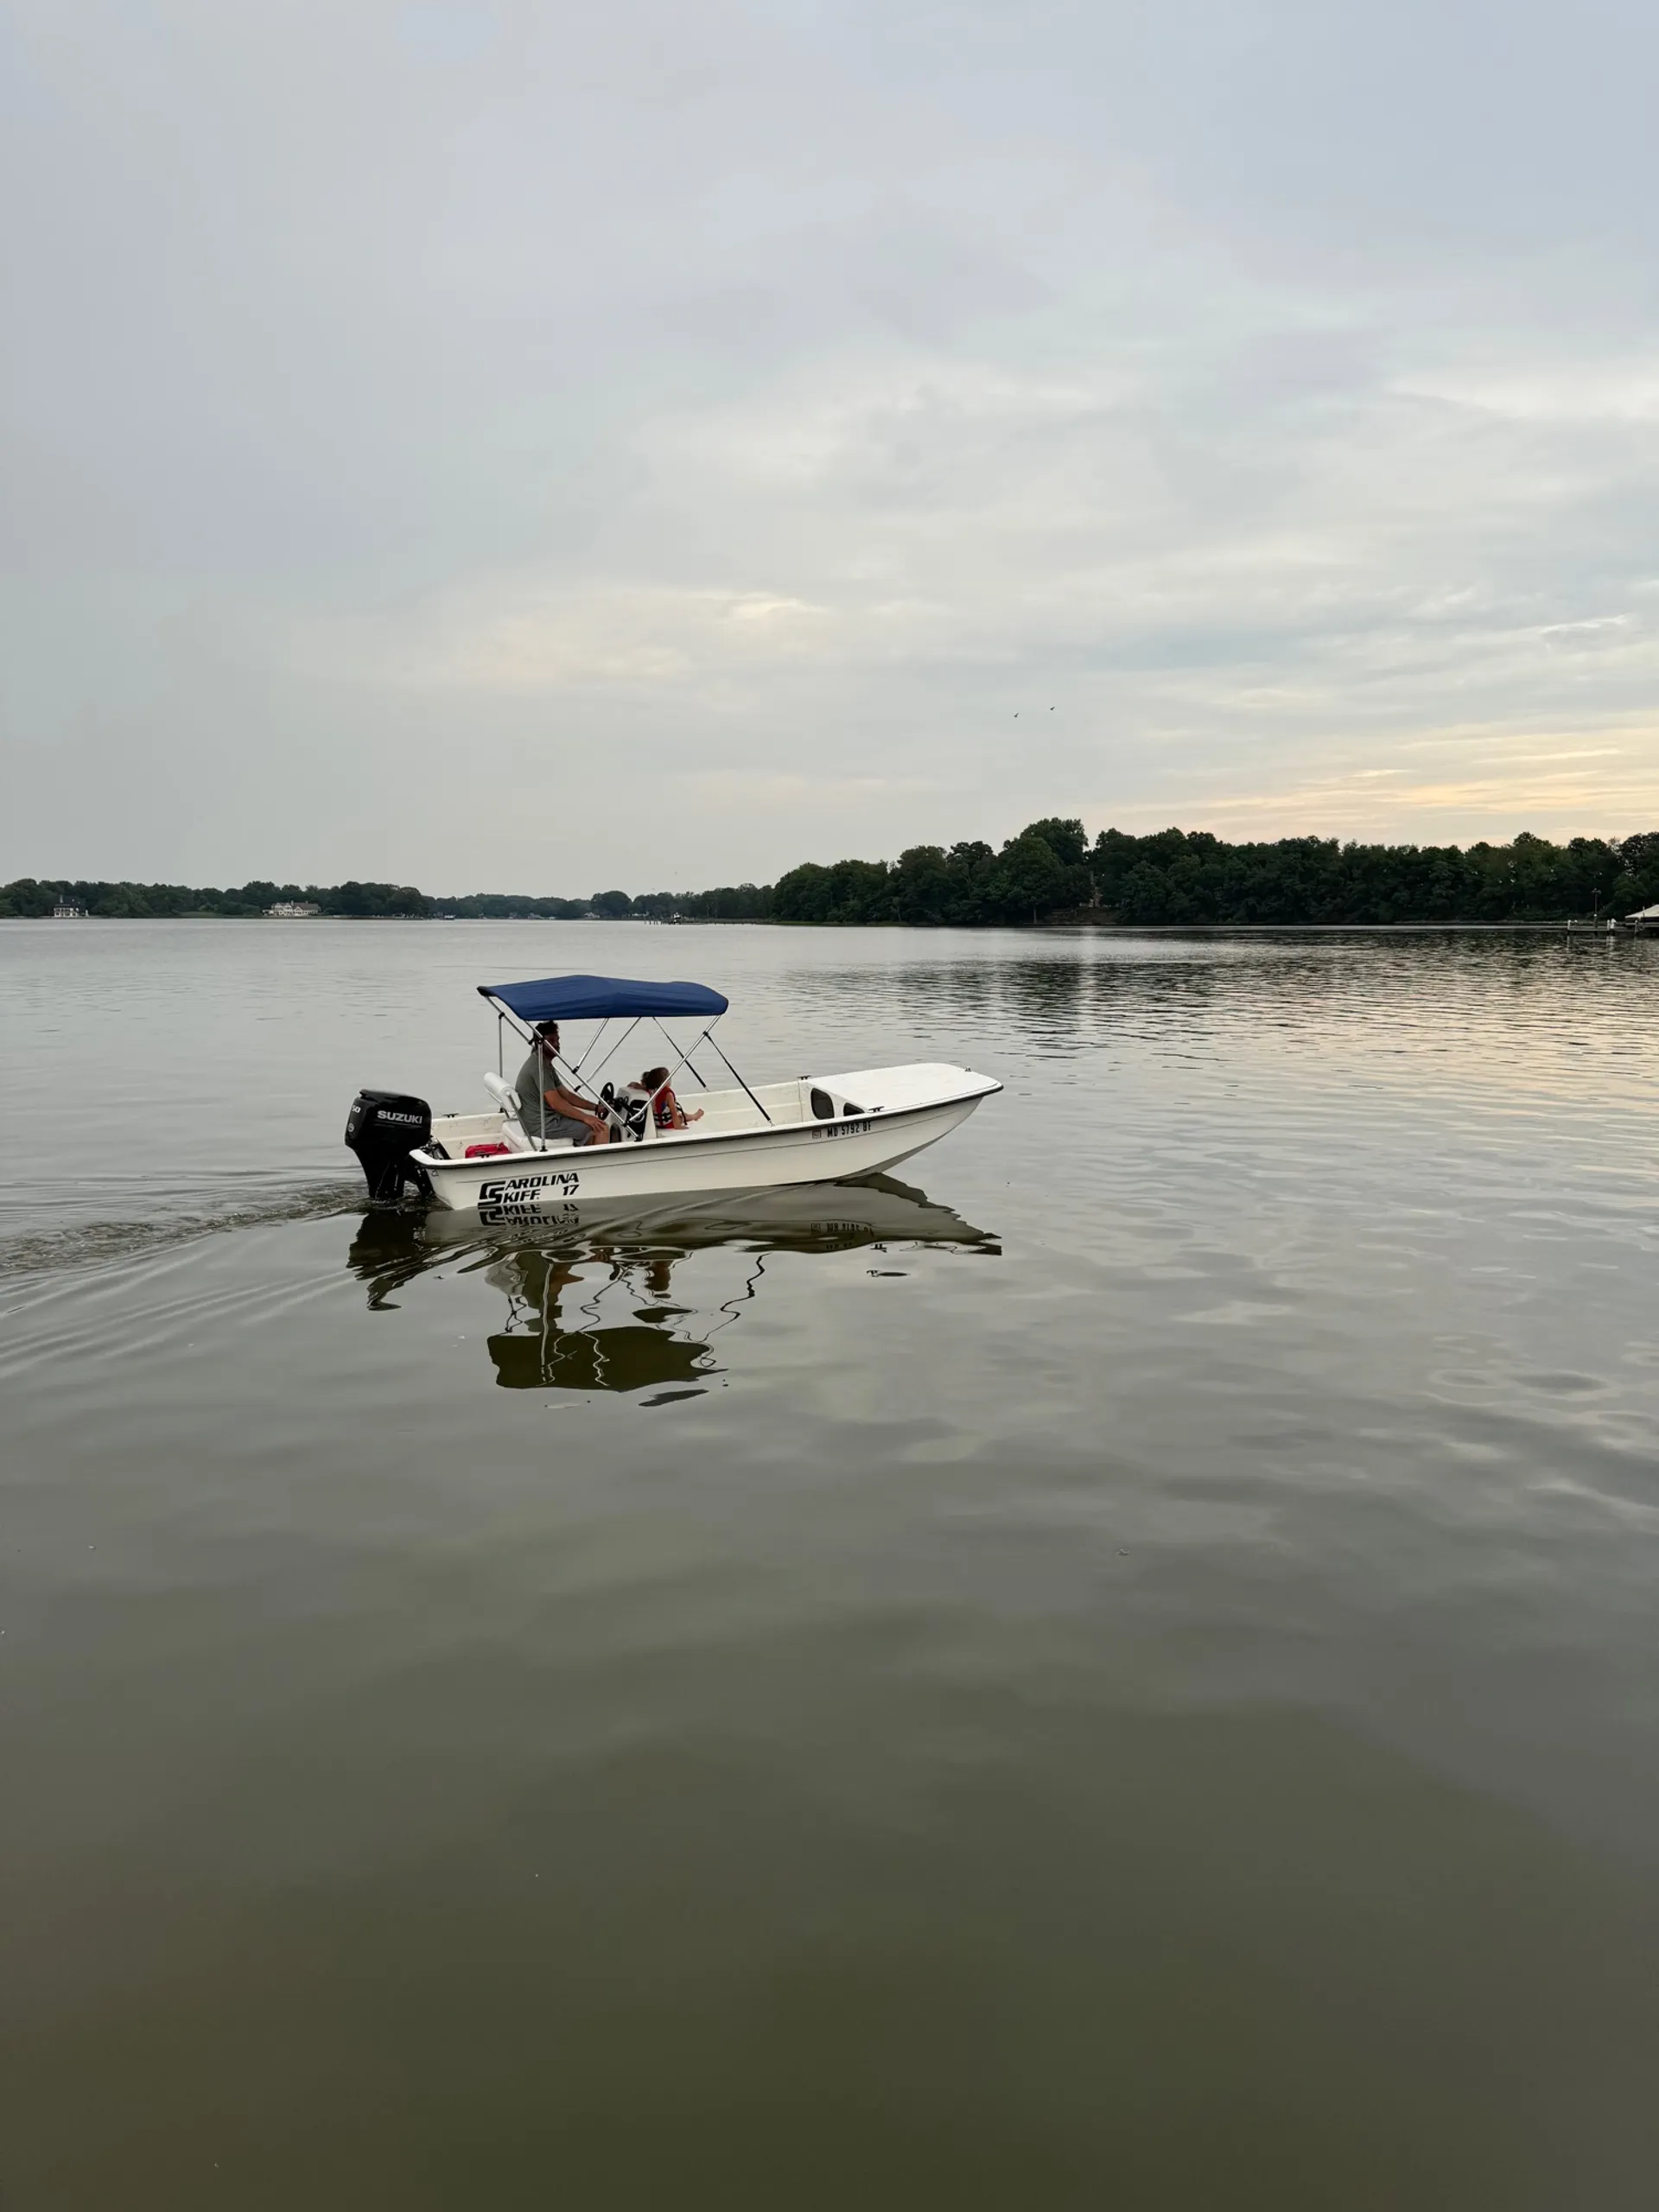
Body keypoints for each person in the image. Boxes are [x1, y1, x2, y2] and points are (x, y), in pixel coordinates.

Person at [514, 1021, 613, 1147]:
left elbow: (566, 1095)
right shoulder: (539, 1067)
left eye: (557, 1040)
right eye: (551, 1041)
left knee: (591, 1121)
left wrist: (595, 1108)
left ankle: (585, 1160)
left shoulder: (545, 1063)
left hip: (547, 1118)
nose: (557, 1045)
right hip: (541, 1125)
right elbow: (556, 1104)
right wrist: (585, 1117)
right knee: (601, 1128)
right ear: (540, 1043)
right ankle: (599, 1166)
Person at [640, 1065, 703, 1132]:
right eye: (669, 1078)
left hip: (656, 1123)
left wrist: (635, 1085)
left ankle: (694, 1115)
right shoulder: (668, 1095)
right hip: (668, 1124)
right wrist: (678, 1126)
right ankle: (695, 1116)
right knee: (683, 1115)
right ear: (664, 1082)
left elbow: (641, 1087)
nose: (670, 1080)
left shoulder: (650, 1091)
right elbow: (674, 1113)